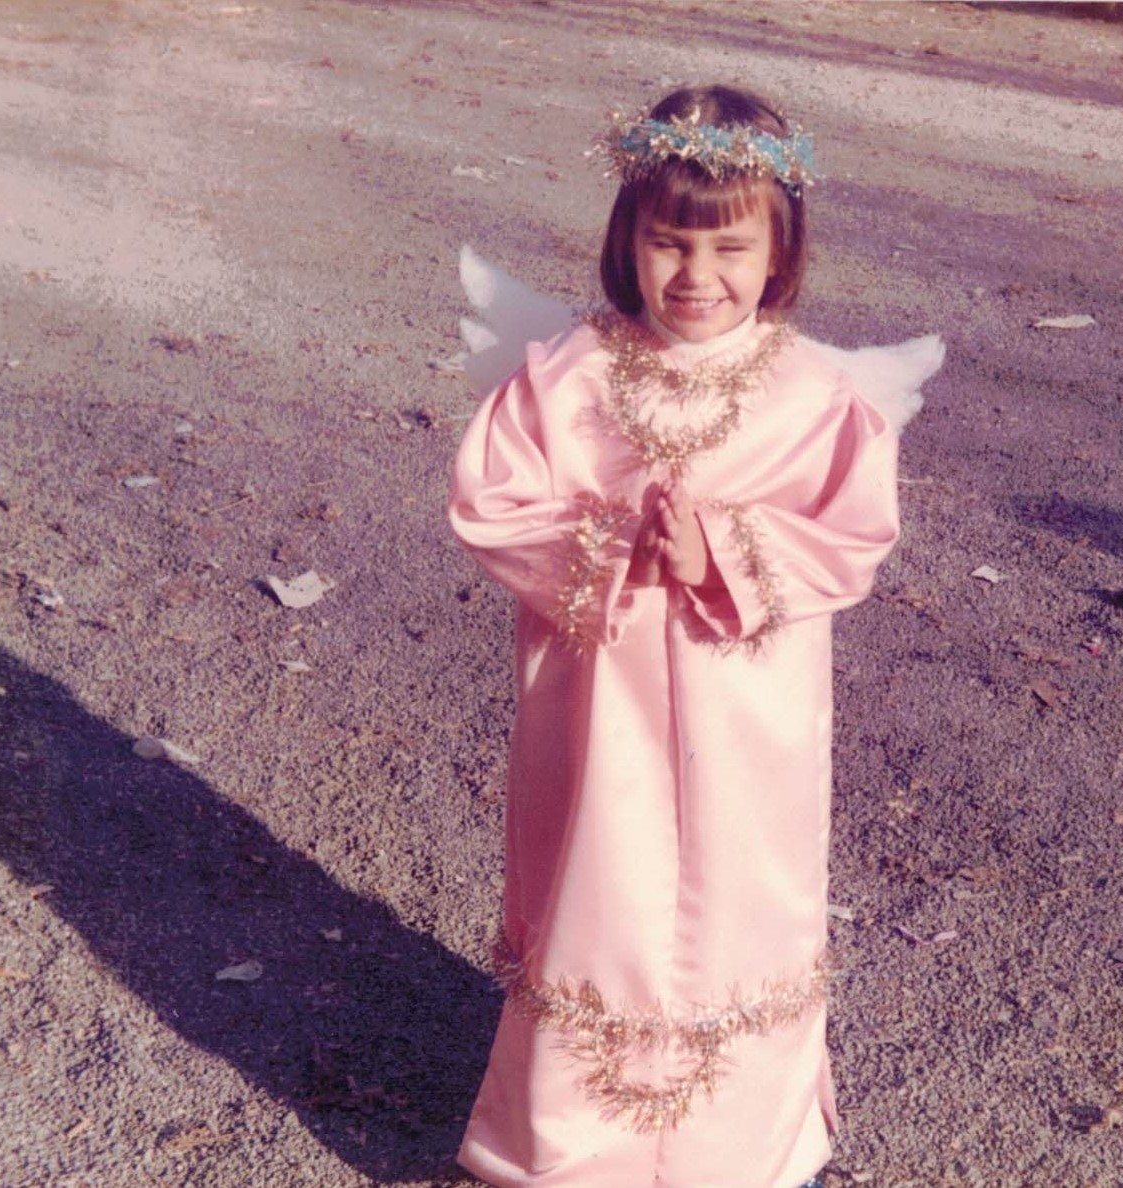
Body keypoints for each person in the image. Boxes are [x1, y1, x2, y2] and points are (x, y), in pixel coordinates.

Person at [448, 84, 937, 1188]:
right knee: (600, 897)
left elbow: (851, 537)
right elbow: (494, 503)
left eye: (728, 246)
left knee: (739, 908)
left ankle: (740, 1155)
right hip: (600, 713)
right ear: (629, 240)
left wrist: (722, 547)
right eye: (669, 243)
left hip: (744, 724)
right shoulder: (567, 375)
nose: (696, 276)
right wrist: (611, 537)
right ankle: (573, 1156)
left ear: (778, 251)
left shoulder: (815, 397)